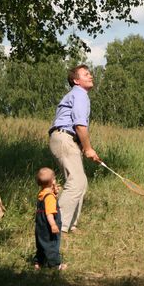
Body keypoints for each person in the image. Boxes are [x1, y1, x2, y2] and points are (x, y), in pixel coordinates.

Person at [49, 64, 100, 234]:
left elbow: (76, 127)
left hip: (66, 139)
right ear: (76, 81)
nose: (90, 76)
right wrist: (88, 148)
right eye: (86, 74)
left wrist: (83, 147)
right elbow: (79, 125)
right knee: (76, 181)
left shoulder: (79, 95)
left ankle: (71, 225)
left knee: (81, 182)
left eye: (90, 73)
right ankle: (57, 226)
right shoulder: (79, 95)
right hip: (64, 138)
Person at [33, 167, 67, 270]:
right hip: (49, 225)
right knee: (51, 244)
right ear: (52, 181)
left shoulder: (42, 193)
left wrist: (55, 193)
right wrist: (53, 224)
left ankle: (38, 262)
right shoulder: (49, 197)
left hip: (40, 225)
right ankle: (55, 264)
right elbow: (49, 213)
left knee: (41, 243)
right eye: (54, 178)